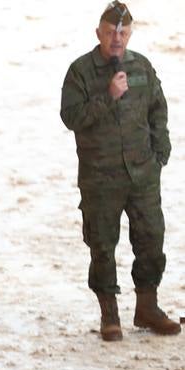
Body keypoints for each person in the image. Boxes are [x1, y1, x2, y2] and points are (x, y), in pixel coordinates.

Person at [60, 1, 177, 340]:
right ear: (99, 33)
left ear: (130, 33)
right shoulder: (81, 71)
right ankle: (109, 314)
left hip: (142, 173)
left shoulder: (141, 66)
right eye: (110, 32)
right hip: (101, 176)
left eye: (123, 32)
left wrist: (160, 151)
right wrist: (108, 96)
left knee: (151, 238)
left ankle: (148, 307)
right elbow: (72, 117)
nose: (116, 38)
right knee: (102, 243)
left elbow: (157, 107)